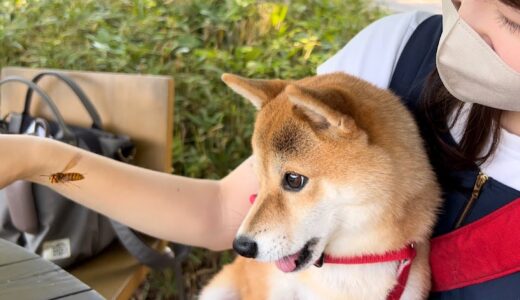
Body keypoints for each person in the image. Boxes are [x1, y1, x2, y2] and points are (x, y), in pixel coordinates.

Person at [0, 0, 519, 298]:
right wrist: (42, 162)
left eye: (511, 18)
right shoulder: (392, 56)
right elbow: (221, 211)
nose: (465, 17)